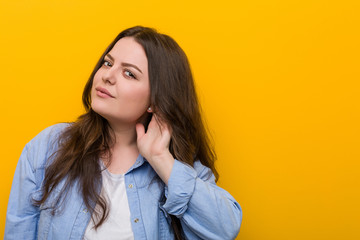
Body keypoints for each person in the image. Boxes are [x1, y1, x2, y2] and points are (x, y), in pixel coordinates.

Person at [4, 26, 242, 240]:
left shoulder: (178, 167)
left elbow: (225, 229)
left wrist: (161, 160)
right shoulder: (48, 147)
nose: (107, 75)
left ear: (155, 100)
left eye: (129, 73)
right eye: (108, 63)